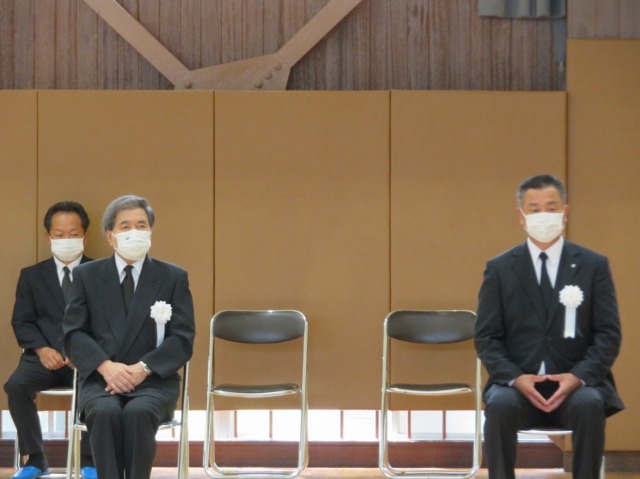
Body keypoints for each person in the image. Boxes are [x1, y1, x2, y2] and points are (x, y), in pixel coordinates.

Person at [475, 174, 624, 479]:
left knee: (590, 404)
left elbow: (608, 334)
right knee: (499, 406)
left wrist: (578, 377)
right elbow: (487, 337)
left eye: (552, 207)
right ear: (521, 216)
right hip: (518, 386)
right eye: (534, 209)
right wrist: (516, 378)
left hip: (576, 387)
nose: (543, 215)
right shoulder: (500, 269)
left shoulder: (594, 265)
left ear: (565, 213)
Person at [63, 194, 195, 479]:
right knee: (104, 412)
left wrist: (144, 368)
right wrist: (105, 366)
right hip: (101, 380)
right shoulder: (86, 275)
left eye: (141, 225)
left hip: (154, 381)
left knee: (138, 412)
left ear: (151, 231)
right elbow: (73, 333)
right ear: (110, 236)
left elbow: (182, 339)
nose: (134, 232)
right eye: (125, 226)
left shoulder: (173, 277)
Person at [5, 201, 96, 479]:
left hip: (86, 359)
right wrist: (42, 349)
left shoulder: (100, 273)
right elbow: (22, 321)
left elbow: (108, 322)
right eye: (59, 234)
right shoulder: (31, 276)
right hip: (42, 358)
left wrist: (83, 351)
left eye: (73, 233)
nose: (66, 239)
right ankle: (35, 458)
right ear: (48, 237)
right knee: (16, 386)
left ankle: (89, 461)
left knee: (97, 389)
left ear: (85, 236)